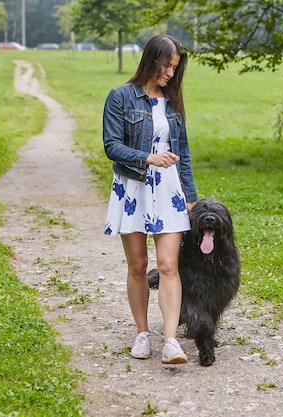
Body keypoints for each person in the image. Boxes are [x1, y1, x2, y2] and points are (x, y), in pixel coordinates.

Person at [102, 34, 198, 364]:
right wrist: (147, 158)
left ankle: (170, 340)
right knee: (139, 265)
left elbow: (182, 154)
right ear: (151, 60)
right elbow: (111, 146)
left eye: (175, 68)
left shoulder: (173, 103)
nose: (171, 73)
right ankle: (143, 334)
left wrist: (189, 197)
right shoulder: (120, 97)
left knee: (170, 265)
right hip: (133, 187)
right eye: (167, 66)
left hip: (169, 189)